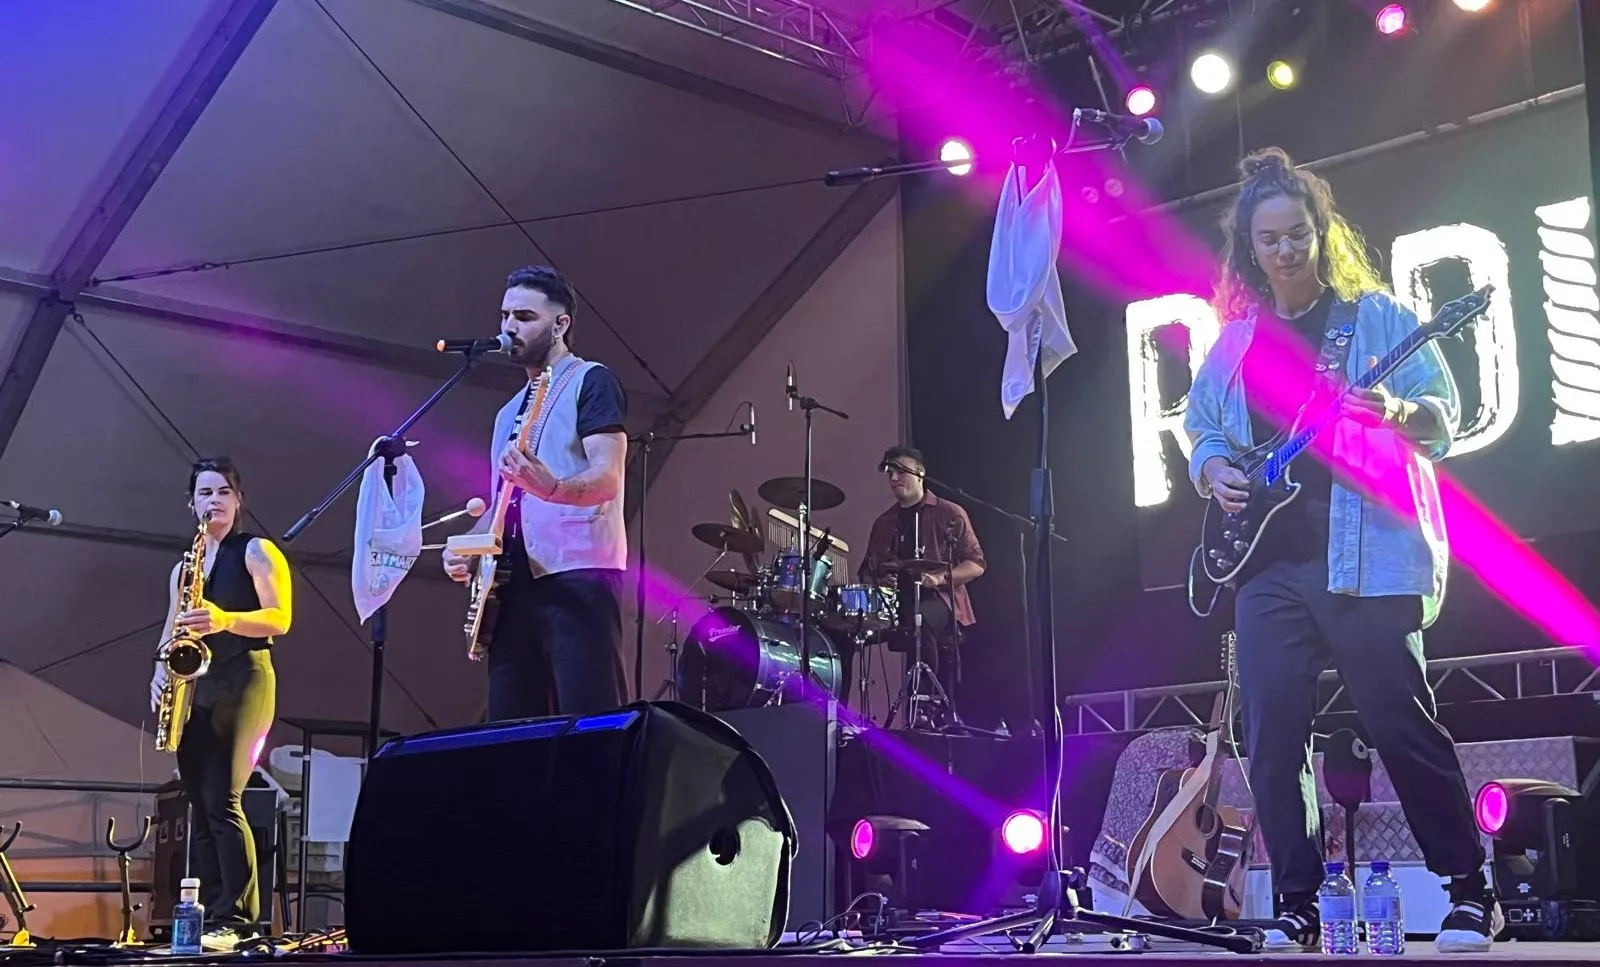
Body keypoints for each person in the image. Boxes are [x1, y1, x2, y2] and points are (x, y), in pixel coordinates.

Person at [1184, 147, 1498, 953]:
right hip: (1268, 568)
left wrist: (1396, 407)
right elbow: (1203, 431)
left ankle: (1468, 889)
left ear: (1321, 236)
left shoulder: (1380, 318)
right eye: (1269, 239)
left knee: (1398, 720)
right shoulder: (1235, 344)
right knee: (1274, 736)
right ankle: (1298, 900)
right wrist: (1216, 469)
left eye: (1297, 235)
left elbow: (1445, 416)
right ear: (1248, 249)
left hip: (1369, 557)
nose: (1284, 251)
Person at [442, 265, 629, 721]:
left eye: (524, 317)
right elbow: (505, 501)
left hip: (577, 576)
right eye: (505, 315)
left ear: (561, 324)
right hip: (511, 586)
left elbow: (608, 477)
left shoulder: (592, 380)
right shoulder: (507, 412)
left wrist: (555, 487)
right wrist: (469, 548)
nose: (509, 327)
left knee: (589, 722)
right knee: (509, 728)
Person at [148, 457, 292, 951]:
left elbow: (280, 619)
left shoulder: (256, 550)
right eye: (205, 493)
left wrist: (225, 618)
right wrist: (158, 673)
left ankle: (242, 918)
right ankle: (210, 916)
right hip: (195, 688)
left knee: (226, 800)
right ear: (191, 503)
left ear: (238, 501)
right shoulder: (184, 566)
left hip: (245, 678)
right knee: (201, 805)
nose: (215, 502)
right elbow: (171, 627)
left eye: (224, 492)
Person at [859, 446, 985, 724]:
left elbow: (976, 564)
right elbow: (867, 570)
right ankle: (839, 716)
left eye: (900, 471)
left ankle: (927, 706)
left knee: (922, 620)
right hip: (897, 603)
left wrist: (940, 578)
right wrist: (881, 579)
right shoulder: (884, 522)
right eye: (889, 473)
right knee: (848, 628)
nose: (893, 478)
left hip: (941, 600)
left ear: (920, 473)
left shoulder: (949, 513)